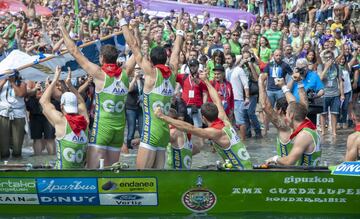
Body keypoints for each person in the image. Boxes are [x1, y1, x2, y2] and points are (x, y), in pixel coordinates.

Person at [59, 17, 135, 168]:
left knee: (93, 172)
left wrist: (62, 28)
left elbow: (74, 51)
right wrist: (127, 25)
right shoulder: (126, 72)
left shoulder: (99, 74)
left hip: (102, 128)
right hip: (119, 130)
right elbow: (137, 48)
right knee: (111, 173)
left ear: (102, 59)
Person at [119, 8, 184, 168]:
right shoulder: (173, 71)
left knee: (142, 178)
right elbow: (176, 52)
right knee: (158, 181)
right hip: (164, 133)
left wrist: (122, 21)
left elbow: (134, 46)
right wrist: (180, 29)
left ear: (151, 60)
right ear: (165, 58)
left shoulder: (151, 73)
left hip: (150, 133)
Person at [155, 71, 252, 170]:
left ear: (203, 118)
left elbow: (190, 128)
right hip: (247, 166)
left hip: (241, 172)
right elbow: (217, 100)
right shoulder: (226, 122)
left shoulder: (214, 132)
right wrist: (206, 81)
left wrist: (163, 117)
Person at [40, 66, 89, 169]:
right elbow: (82, 103)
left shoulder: (61, 121)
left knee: (46, 111)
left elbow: (43, 101)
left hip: (61, 175)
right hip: (80, 174)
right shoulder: (86, 122)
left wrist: (54, 80)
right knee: (45, 112)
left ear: (61, 106)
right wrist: (70, 85)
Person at [265, 101, 321, 167]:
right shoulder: (310, 130)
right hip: (310, 174)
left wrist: (275, 159)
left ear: (291, 115)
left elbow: (289, 161)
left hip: (304, 176)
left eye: (286, 113)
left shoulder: (304, 135)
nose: (285, 117)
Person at [0, 70, 27, 159]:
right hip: (4, 114)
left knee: (17, 143)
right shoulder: (2, 81)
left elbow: (21, 94)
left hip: (18, 115)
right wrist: (4, 80)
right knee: (3, 143)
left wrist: (12, 83)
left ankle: (17, 158)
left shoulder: (21, 83)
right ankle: (5, 159)